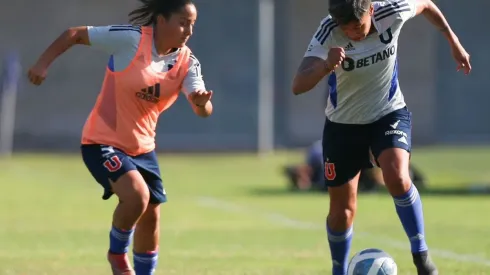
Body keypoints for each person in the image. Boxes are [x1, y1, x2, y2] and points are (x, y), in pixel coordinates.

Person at [27, 0, 212, 274]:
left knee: (151, 215)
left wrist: (199, 102)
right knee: (138, 197)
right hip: (102, 141)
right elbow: (74, 34)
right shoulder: (131, 40)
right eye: (183, 21)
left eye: (192, 24)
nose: (188, 30)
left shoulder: (187, 62)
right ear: (161, 20)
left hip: (143, 149)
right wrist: (42, 64)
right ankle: (116, 254)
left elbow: (204, 111)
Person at [292, 0, 471, 274]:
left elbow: (424, 4)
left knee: (398, 176)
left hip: (387, 113)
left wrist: (453, 40)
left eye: (358, 26)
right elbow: (298, 85)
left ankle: (421, 257)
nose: (353, 33)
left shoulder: (392, 10)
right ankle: (338, 269)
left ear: (371, 11)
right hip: (343, 125)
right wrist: (326, 66)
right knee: (343, 212)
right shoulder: (329, 29)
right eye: (346, 29)